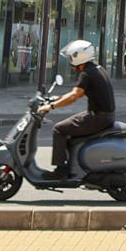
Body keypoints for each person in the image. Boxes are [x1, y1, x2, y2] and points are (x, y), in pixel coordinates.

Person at [39, 39, 114, 179]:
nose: (70, 61)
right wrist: (58, 98)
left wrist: (51, 106)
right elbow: (77, 92)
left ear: (78, 56)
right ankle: (71, 165)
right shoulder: (97, 69)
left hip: (98, 117)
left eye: (71, 57)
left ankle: (61, 171)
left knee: (59, 129)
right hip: (103, 116)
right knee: (69, 128)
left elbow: (74, 96)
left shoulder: (86, 74)